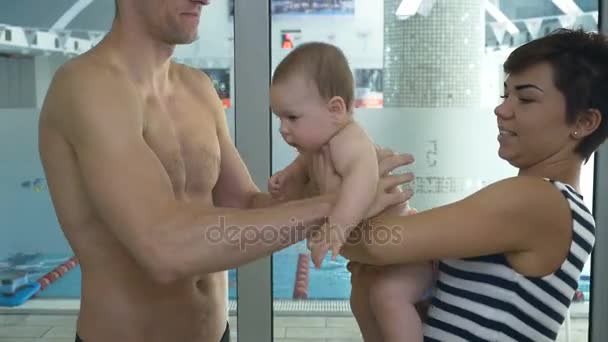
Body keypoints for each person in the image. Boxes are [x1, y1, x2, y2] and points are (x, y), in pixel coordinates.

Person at [36, 1, 413, 341]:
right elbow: (163, 248)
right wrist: (340, 204)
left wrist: (343, 178)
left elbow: (247, 206)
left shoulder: (197, 88)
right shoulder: (88, 87)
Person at [341, 28, 608, 342]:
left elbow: (376, 243)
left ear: (583, 122)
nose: (502, 109)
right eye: (504, 95)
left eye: (525, 99)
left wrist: (324, 215)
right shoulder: (566, 210)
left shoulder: (539, 199)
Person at [267, 42, 434, 342]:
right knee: (361, 300)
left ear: (335, 109)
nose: (282, 129)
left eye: (292, 117)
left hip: (406, 257)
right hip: (372, 259)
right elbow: (299, 175)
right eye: (278, 118)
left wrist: (336, 227)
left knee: (389, 297)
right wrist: (284, 179)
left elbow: (363, 179)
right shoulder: (314, 149)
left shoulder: (348, 140)